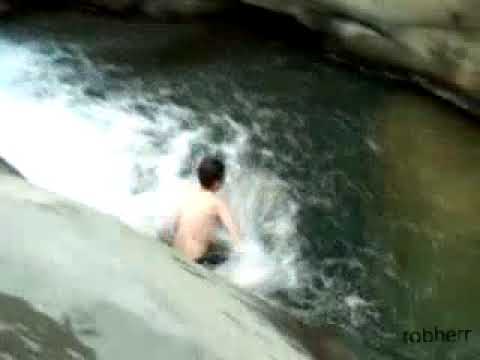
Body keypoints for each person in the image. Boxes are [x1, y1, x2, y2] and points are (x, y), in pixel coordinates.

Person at [173, 156, 241, 265]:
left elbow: (175, 226)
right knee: (231, 257)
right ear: (217, 183)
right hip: (196, 261)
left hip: (175, 253)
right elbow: (235, 235)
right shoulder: (218, 204)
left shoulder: (189, 195)